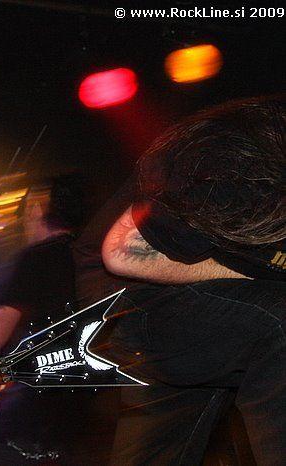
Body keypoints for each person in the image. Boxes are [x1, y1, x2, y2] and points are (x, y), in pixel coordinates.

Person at [75, 97, 285, 465]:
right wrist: (260, 274)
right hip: (124, 297)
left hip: (207, 303)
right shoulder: (243, 156)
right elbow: (122, 251)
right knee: (278, 323)